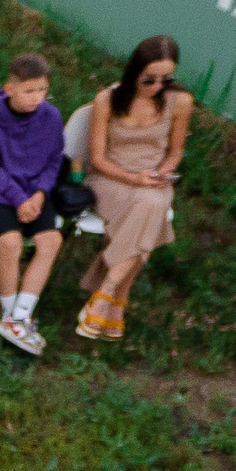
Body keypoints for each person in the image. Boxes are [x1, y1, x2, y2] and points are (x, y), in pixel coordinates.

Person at [74, 36, 185, 343]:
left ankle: (106, 293)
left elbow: (176, 152)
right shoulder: (107, 100)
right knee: (151, 211)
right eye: (149, 79)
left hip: (153, 179)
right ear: (134, 71)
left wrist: (162, 172)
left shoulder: (179, 101)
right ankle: (113, 301)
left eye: (167, 79)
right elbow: (96, 159)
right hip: (111, 178)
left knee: (150, 203)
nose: (157, 87)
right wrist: (134, 179)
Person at [0, 53, 72, 359]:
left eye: (42, 90)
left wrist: (40, 194)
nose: (37, 98)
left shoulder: (51, 116)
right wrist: (19, 198)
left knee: (51, 240)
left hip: (34, 193)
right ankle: (8, 312)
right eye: (29, 91)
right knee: (10, 242)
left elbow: (54, 160)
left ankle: (19, 317)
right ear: (10, 88)